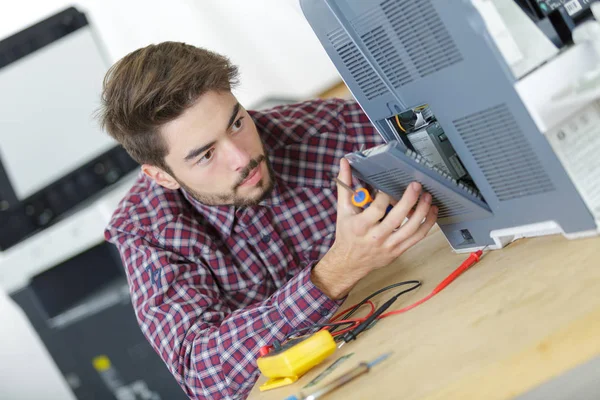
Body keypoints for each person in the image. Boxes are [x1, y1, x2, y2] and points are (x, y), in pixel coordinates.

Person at [99, 41, 437, 399]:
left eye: (237, 123)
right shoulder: (147, 231)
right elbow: (202, 373)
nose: (241, 156)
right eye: (206, 154)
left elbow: (449, 135)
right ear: (161, 176)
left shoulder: (323, 130)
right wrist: (336, 271)